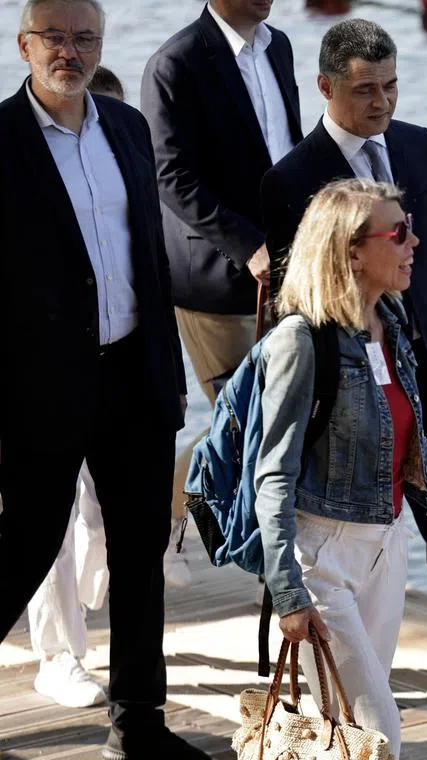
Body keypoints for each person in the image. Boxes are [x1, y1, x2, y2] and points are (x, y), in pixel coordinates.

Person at [260, 18, 427, 723]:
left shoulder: (416, 144)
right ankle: (321, 672)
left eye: (391, 86)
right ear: (325, 87)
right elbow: (294, 297)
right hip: (344, 385)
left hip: (425, 365)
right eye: (365, 90)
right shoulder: (292, 178)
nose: (381, 102)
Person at [0, 0, 202, 757]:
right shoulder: (2, 138)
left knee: (140, 553)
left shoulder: (127, 126)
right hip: (39, 387)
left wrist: (169, 371)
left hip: (133, 376)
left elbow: (149, 255)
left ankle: (139, 724)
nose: (70, 52)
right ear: (24, 44)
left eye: (85, 39)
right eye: (54, 38)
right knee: (24, 547)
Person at [256, 177, 427, 760]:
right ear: (351, 252)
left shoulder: (390, 323)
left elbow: (416, 451)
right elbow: (273, 476)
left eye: (409, 228)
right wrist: (288, 592)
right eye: (397, 233)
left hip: (387, 549)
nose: (414, 242)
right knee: (379, 733)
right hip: (324, 558)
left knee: (347, 735)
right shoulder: (301, 340)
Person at [140, 0, 303, 586]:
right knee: (244, 419)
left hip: (289, 268)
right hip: (215, 278)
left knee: (283, 414)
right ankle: (163, 517)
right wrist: (247, 244)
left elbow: (287, 150)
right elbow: (169, 175)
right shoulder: (175, 62)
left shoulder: (279, 46)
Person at [21, 64, 123, 711]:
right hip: (37, 373)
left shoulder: (126, 169)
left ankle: (82, 603)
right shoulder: (21, 167)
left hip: (119, 367)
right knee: (48, 517)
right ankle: (58, 656)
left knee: (101, 513)